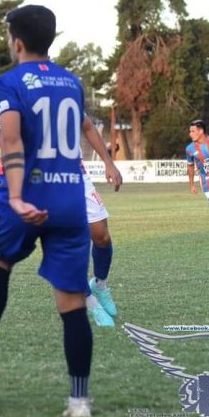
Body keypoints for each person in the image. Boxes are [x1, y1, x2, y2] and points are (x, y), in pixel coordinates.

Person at [0, 4, 119, 417]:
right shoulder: (72, 83)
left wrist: (15, 196)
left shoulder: (8, 83)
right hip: (70, 201)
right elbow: (82, 130)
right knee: (71, 303)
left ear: (16, 42)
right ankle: (80, 402)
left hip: (29, 194)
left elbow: (11, 139)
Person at [79, 123, 122, 328]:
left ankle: (100, 285)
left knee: (102, 237)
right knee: (68, 248)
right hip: (44, 179)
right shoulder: (25, 96)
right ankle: (92, 304)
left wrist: (108, 162)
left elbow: (87, 127)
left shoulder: (69, 90)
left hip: (77, 175)